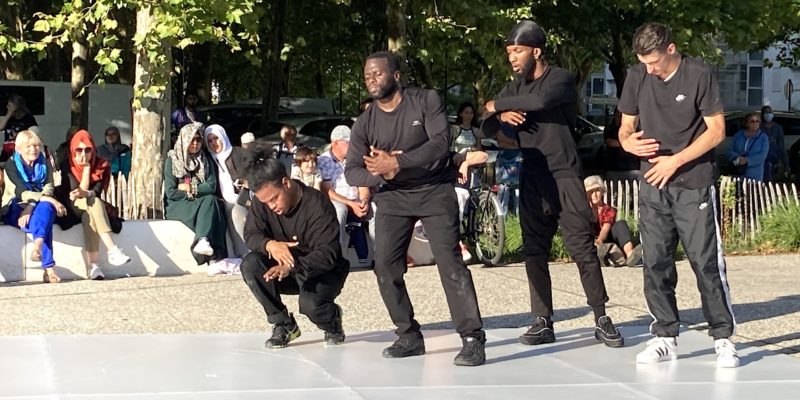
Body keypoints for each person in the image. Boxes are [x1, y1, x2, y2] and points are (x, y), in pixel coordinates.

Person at [481, 20, 623, 349]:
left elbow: (542, 102)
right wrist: (499, 117)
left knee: (582, 248)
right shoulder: (513, 88)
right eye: (508, 52)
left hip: (565, 174)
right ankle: (542, 320)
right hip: (532, 174)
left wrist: (496, 106)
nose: (512, 58)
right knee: (534, 249)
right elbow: (486, 129)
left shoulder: (560, 79)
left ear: (537, 50)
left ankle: (601, 316)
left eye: (517, 51)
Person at [345, 51, 486, 367]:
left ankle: (472, 338)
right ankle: (408, 335)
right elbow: (352, 170)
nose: (371, 80)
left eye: (378, 74)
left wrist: (398, 161)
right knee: (385, 266)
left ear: (396, 75)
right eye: (367, 75)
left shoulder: (425, 100)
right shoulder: (365, 122)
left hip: (434, 189)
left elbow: (440, 144)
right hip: (393, 195)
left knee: (450, 262)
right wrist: (383, 172)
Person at [617, 22, 738, 368]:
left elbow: (716, 132)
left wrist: (676, 161)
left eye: (654, 62)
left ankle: (723, 338)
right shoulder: (638, 75)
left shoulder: (699, 75)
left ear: (671, 49)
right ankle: (664, 335)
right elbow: (625, 127)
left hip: (693, 183)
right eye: (644, 63)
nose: (650, 70)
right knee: (654, 261)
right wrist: (628, 142)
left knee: (705, 262)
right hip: (652, 184)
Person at [240, 152, 348, 348]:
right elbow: (251, 235)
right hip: (283, 271)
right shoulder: (262, 201)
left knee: (310, 306)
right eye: (265, 202)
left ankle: (332, 321)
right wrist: (270, 244)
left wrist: (293, 265)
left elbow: (328, 253)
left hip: (322, 271)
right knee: (250, 265)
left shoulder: (318, 205)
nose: (271, 206)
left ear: (286, 183)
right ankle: (283, 324)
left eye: (274, 199)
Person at [55, 130, 131, 279]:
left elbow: (96, 191)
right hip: (71, 206)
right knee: (93, 203)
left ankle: (94, 267)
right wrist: (86, 170)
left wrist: (87, 188)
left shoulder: (100, 164)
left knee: (90, 213)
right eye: (79, 149)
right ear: (73, 150)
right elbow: (75, 191)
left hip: (89, 206)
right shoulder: (67, 165)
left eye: (88, 149)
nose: (84, 154)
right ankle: (112, 249)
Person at [1, 130, 67, 283]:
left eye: (37, 145)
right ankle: (49, 268)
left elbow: (49, 187)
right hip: (15, 207)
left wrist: (31, 206)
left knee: (45, 211)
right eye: (28, 146)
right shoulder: (11, 165)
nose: (34, 149)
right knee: (47, 214)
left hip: (35, 208)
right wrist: (52, 201)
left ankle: (37, 247)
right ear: (19, 148)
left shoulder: (44, 163)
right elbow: (21, 192)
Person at [164, 122, 228, 265]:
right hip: (177, 206)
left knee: (214, 202)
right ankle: (216, 257)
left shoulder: (205, 160)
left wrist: (189, 188)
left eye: (199, 140)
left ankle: (203, 242)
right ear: (184, 140)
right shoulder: (172, 161)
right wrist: (198, 189)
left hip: (199, 203)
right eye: (191, 139)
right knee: (211, 204)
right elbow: (171, 193)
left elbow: (211, 187)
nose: (195, 143)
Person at [318, 125, 374, 264]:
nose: (352, 145)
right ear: (335, 143)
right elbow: (327, 190)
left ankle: (380, 257)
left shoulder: (355, 159)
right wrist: (350, 204)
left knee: (376, 209)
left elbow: (363, 186)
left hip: (357, 199)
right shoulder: (323, 161)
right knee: (340, 210)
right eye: (348, 142)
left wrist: (364, 201)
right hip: (337, 200)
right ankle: (339, 258)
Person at [204, 124, 252, 257]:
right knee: (227, 213)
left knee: (237, 211)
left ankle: (247, 254)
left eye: (216, 138)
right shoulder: (209, 160)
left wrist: (247, 186)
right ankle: (237, 255)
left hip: (246, 198)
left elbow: (254, 175)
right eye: (210, 140)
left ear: (223, 137)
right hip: (223, 201)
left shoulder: (239, 154)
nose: (214, 143)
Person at [583, 175, 642, 267]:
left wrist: (600, 240)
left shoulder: (608, 209)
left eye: (597, 191)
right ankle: (601, 257)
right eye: (590, 192)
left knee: (621, 224)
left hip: (606, 239)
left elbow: (606, 227)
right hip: (591, 242)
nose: (594, 195)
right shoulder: (584, 210)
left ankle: (630, 254)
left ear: (602, 192)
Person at [728, 112, 768, 181]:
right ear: (746, 123)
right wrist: (737, 157)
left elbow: (763, 155)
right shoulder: (738, 135)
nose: (755, 123)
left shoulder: (763, 137)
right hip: (738, 172)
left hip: (755, 174)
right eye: (752, 121)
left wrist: (747, 160)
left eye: (757, 121)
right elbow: (730, 149)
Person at [603, 108, 640, 181]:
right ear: (615, 115)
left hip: (633, 166)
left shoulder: (635, 128)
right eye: (619, 116)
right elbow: (610, 142)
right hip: (615, 167)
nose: (620, 119)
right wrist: (628, 143)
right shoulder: (610, 128)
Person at [760, 106, 789, 182]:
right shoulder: (759, 127)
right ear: (762, 114)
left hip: (773, 157)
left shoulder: (777, 128)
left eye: (770, 112)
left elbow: (781, 146)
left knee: (770, 178)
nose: (768, 114)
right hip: (761, 158)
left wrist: (785, 164)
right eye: (766, 112)